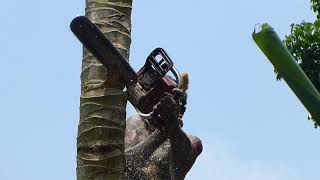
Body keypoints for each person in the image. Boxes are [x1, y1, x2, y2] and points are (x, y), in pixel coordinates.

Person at [124, 74, 202, 180]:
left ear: (181, 111)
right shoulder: (136, 124)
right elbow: (123, 164)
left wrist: (171, 122)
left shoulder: (191, 142)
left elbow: (184, 154)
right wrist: (160, 133)